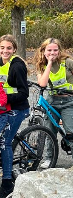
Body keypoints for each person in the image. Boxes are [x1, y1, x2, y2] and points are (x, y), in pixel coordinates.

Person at [0, 34, 30, 198]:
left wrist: (3, 100)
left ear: (14, 50)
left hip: (17, 108)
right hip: (2, 108)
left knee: (4, 142)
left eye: (9, 48)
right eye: (2, 48)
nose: (5, 51)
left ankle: (7, 184)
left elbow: (24, 93)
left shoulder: (17, 66)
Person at [34, 38, 73, 168]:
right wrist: (49, 63)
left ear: (60, 51)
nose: (52, 52)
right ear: (44, 51)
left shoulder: (67, 62)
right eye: (49, 50)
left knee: (70, 131)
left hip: (69, 101)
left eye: (55, 50)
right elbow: (43, 83)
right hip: (52, 100)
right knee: (49, 130)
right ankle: (49, 158)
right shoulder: (42, 65)